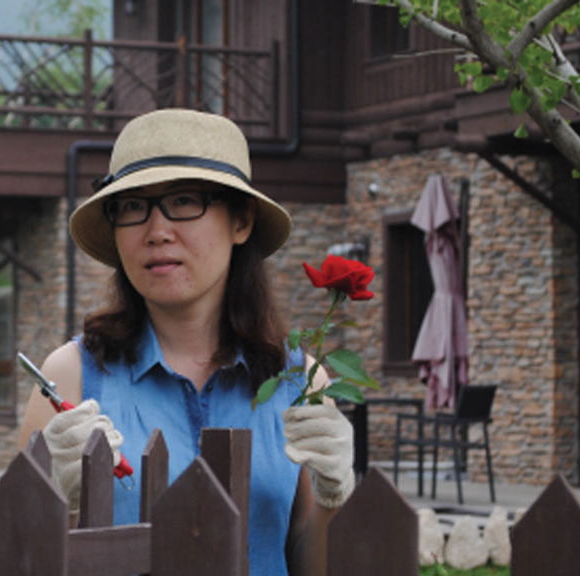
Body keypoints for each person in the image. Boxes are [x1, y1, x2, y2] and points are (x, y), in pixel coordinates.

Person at [18, 108, 354, 576]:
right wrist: (58, 503)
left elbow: (307, 563)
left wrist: (333, 500)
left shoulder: (301, 379)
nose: (156, 231)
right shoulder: (70, 375)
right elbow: (18, 555)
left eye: (183, 200)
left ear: (241, 221)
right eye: (133, 206)